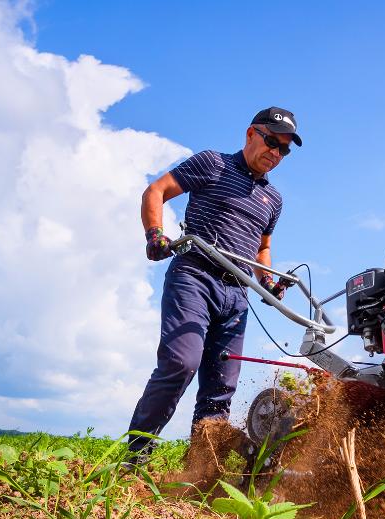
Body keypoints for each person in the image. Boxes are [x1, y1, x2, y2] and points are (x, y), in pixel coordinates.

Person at [125, 106, 303, 465]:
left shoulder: (274, 199)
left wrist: (268, 281)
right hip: (195, 276)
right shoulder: (213, 163)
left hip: (237, 294)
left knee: (221, 389)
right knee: (180, 362)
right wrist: (155, 234)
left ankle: (200, 471)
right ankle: (135, 457)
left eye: (284, 149)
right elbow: (156, 190)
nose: (276, 153)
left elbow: (262, 247)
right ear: (251, 134)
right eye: (272, 142)